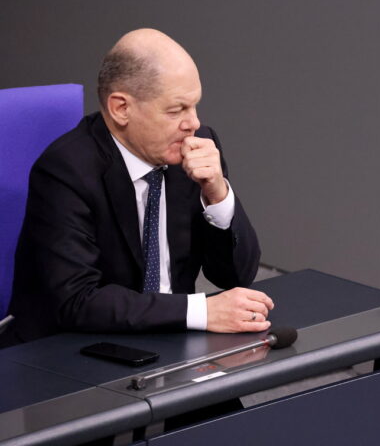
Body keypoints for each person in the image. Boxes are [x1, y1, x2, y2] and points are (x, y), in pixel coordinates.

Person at [0, 29, 273, 347]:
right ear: (121, 108)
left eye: (195, 107)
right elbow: (77, 300)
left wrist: (217, 194)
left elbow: (236, 276)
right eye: (176, 110)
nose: (193, 123)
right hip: (75, 348)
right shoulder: (66, 170)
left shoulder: (195, 149)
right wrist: (201, 310)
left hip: (171, 338)